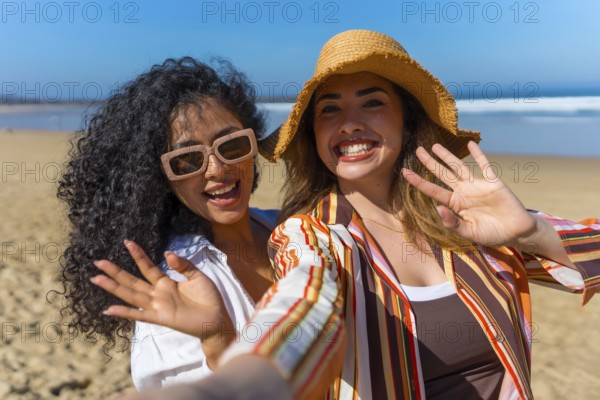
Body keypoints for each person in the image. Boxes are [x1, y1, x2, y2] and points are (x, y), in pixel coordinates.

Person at [98, 30, 600, 399]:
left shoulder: (466, 215)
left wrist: (531, 233)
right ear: (315, 136)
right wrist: (225, 372)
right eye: (330, 109)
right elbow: (300, 313)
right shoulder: (308, 236)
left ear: (407, 121)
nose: (351, 123)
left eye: (372, 102)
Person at [57, 57, 278, 390]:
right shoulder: (172, 289)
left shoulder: (292, 226)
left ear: (253, 145)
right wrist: (218, 339)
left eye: (232, 145)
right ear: (160, 178)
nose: (217, 170)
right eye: (187, 159)